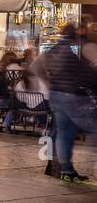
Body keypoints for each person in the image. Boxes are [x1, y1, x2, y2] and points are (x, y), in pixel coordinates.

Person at [40, 24, 97, 182]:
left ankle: (65, 169)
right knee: (91, 128)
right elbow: (83, 75)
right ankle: (74, 167)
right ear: (75, 36)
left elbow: (40, 68)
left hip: (56, 94)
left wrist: (49, 82)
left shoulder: (54, 50)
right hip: (70, 96)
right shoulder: (70, 52)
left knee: (64, 133)